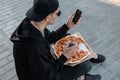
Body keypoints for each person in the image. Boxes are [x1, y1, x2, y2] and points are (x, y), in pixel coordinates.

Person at [10, 0, 105, 80]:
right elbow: (46, 76)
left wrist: (67, 26)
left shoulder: (31, 23)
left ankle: (87, 60)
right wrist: (64, 57)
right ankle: (82, 76)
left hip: (40, 66)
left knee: (68, 37)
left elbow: (49, 38)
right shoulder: (35, 45)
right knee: (84, 66)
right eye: (58, 13)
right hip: (39, 76)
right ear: (48, 17)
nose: (58, 14)